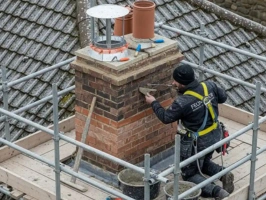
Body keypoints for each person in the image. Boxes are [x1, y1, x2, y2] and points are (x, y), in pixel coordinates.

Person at [145, 64, 234, 199]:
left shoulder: (182, 102)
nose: (173, 83)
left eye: (175, 81)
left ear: (182, 83)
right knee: (202, 162)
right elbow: (223, 98)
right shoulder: (209, 85)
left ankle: (217, 192)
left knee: (189, 174)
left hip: (197, 142)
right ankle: (224, 174)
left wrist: (153, 102)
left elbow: (166, 117)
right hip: (215, 135)